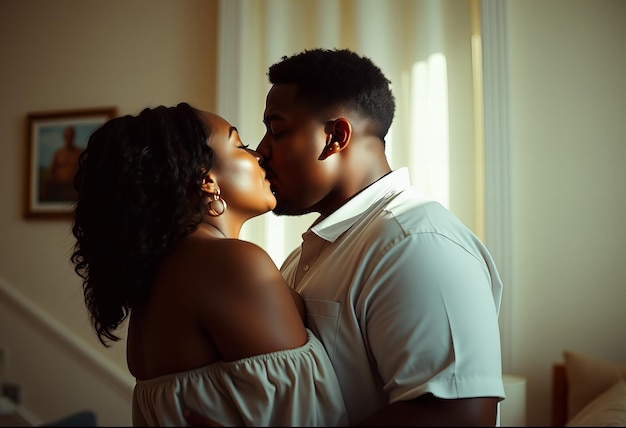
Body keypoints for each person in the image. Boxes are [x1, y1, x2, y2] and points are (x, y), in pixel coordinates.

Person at [185, 48, 506, 426]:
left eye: (278, 130)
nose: (262, 152)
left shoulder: (416, 242)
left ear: (335, 136)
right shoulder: (307, 256)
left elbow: (461, 417)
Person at [70, 103, 348, 426]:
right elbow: (310, 415)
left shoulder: (160, 276)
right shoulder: (230, 264)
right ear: (207, 180)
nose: (259, 155)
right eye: (240, 145)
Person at [42, 125, 82, 201]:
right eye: (67, 135)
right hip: (59, 188)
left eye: (71, 135)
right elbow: (51, 171)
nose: (69, 138)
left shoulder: (80, 152)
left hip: (74, 189)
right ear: (64, 137)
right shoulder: (58, 153)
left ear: (74, 137)